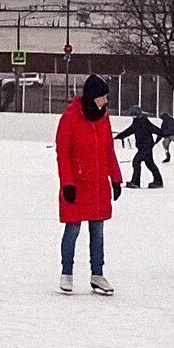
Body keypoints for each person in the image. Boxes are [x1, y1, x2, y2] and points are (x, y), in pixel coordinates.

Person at [56, 74, 122, 295]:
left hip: (98, 185)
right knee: (73, 229)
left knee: (98, 231)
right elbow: (63, 153)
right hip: (77, 184)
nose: (106, 101)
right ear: (93, 97)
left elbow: (108, 150)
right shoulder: (70, 118)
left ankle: (97, 274)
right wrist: (67, 183)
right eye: (103, 97)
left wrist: (116, 178)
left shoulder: (103, 118)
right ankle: (67, 273)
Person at [114, 109, 163, 188]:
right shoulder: (144, 122)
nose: (133, 117)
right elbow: (159, 131)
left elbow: (128, 131)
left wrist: (118, 136)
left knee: (136, 162)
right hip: (146, 147)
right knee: (150, 164)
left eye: (134, 115)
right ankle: (158, 181)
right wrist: (119, 136)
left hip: (145, 147)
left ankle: (136, 182)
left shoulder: (139, 123)